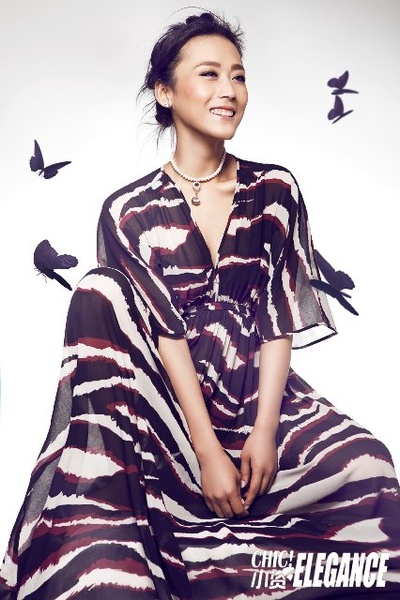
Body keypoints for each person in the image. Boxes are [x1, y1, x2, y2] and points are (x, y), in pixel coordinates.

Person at [1, 10, 399, 600]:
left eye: (238, 76)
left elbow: (278, 318)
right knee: (144, 514)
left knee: (369, 467)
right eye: (209, 74)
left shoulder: (275, 191)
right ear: (165, 91)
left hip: (257, 392)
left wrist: (264, 431)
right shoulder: (128, 211)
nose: (228, 90)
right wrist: (208, 449)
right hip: (168, 404)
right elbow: (161, 335)